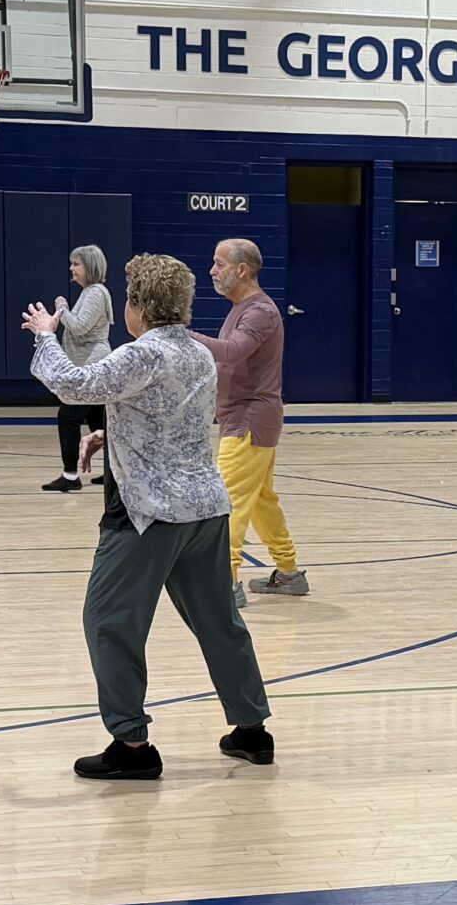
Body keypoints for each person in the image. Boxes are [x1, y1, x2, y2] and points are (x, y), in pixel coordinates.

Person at [23, 254, 275, 778]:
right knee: (218, 622)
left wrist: (47, 334)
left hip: (148, 514)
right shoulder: (199, 355)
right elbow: (166, 416)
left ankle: (132, 748)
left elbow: (73, 385)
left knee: (108, 623)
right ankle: (252, 731)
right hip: (205, 510)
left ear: (137, 307)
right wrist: (107, 434)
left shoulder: (142, 354)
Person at [199, 237, 305, 598]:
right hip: (248, 420)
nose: (212, 270)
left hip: (248, 422)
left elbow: (231, 352)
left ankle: (225, 584)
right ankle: (289, 572)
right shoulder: (242, 308)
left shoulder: (260, 312)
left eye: (219, 263)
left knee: (227, 502)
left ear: (241, 270)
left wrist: (180, 337)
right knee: (261, 501)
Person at [44, 244, 113, 492]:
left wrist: (61, 307)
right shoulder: (90, 293)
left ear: (90, 267)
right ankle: (113, 473)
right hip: (89, 365)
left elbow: (80, 327)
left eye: (77, 264)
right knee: (99, 420)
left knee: (68, 417)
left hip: (91, 366)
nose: (72, 268)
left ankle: (70, 475)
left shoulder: (96, 293)